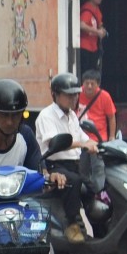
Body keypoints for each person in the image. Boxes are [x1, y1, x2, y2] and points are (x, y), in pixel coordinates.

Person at [35, 72, 97, 241]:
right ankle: (72, 225)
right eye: (69, 94)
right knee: (74, 182)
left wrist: (96, 144)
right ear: (55, 94)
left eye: (76, 94)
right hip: (53, 166)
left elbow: (82, 137)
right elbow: (55, 142)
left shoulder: (72, 116)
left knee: (96, 187)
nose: (74, 98)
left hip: (75, 165)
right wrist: (82, 144)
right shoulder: (46, 116)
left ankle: (100, 234)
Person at [79, 71, 117, 142]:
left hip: (99, 137)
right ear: (82, 83)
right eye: (87, 83)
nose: (89, 86)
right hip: (80, 136)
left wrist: (112, 136)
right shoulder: (76, 94)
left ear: (98, 84)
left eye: (92, 84)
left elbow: (111, 117)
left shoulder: (105, 96)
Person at [80, 0, 107, 65]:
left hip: (94, 47)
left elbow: (99, 24)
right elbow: (82, 25)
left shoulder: (97, 10)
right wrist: (97, 31)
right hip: (85, 46)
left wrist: (102, 30)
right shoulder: (87, 10)